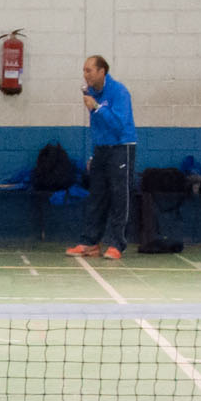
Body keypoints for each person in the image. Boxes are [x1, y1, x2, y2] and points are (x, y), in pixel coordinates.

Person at [67, 55, 136, 261]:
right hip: (101, 149)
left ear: (101, 71)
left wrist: (97, 107)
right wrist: (93, 153)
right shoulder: (91, 93)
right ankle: (90, 242)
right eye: (84, 70)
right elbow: (97, 127)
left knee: (119, 197)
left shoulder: (119, 92)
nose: (85, 75)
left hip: (121, 147)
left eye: (89, 70)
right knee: (96, 196)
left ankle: (117, 244)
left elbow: (119, 124)